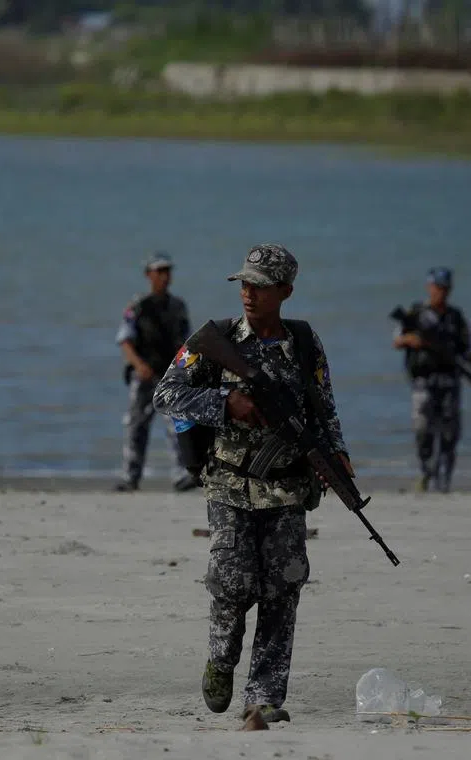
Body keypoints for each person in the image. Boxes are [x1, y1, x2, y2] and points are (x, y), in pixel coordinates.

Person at [153, 244, 351, 725]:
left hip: (286, 489)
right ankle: (221, 658)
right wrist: (226, 403)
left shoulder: (304, 342)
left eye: (260, 286)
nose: (248, 293)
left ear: (285, 291)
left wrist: (337, 456)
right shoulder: (217, 339)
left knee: (283, 589)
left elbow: (323, 409)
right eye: (243, 284)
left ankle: (262, 697)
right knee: (233, 584)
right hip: (228, 484)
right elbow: (166, 394)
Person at [391, 267, 471, 493]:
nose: (441, 292)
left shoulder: (455, 317)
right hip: (423, 382)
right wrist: (411, 340)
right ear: (429, 287)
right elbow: (397, 340)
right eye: (437, 287)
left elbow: (468, 353)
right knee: (423, 430)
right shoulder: (416, 313)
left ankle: (444, 481)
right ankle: (426, 472)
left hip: (450, 382)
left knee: (450, 433)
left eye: (445, 288)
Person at [115, 251, 199, 493]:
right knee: (135, 426)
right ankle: (130, 477)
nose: (164, 276)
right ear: (148, 275)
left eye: (167, 271)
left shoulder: (178, 306)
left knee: (178, 425)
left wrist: (186, 370)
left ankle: (182, 475)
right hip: (144, 375)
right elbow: (125, 340)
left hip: (169, 375)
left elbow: (188, 343)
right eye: (159, 271)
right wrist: (138, 364)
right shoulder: (138, 306)